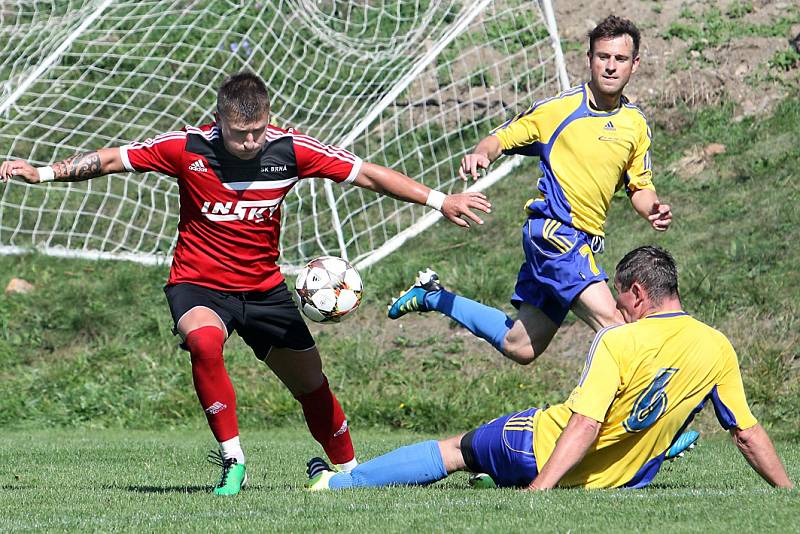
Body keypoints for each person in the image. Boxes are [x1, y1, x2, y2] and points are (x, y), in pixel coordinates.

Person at [0, 71, 491, 496]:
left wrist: (439, 200)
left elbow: (367, 175)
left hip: (264, 290)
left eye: (257, 132)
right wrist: (41, 173)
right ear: (220, 121)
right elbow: (110, 160)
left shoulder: (292, 150)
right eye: (240, 134)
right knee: (203, 342)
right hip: (198, 284)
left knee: (312, 386)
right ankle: (234, 461)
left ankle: (349, 470)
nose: (251, 142)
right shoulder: (185, 147)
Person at [307, 246, 794, 491]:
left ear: (638, 293)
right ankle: (436, 296)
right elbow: (747, 433)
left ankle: (337, 483)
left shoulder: (618, 339)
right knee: (518, 347)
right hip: (609, 477)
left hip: (535, 447)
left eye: (620, 297)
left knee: (457, 450)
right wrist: (786, 491)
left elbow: (584, 423)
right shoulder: (717, 346)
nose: (616, 308)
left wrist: (541, 491)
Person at [387, 15, 673, 366]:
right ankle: (651, 420)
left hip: (583, 242)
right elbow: (499, 138)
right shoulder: (558, 110)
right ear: (589, 59)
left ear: (635, 64)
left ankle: (432, 296)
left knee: (519, 346)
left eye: (620, 59)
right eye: (603, 57)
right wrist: (480, 153)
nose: (610, 67)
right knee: (617, 327)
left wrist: (653, 208)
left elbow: (640, 186)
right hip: (555, 235)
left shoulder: (635, 125)